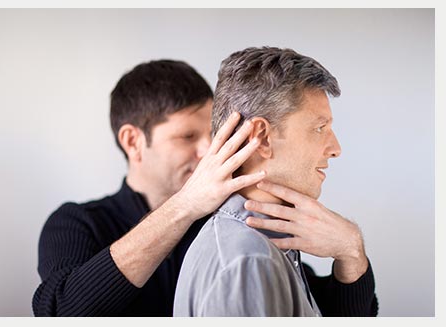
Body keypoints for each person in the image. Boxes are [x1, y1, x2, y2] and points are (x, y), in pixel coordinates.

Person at [32, 59, 266, 316]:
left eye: (211, 134)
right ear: (133, 141)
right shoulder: (76, 223)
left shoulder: (227, 220)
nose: (207, 151)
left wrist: (320, 242)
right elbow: (59, 311)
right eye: (187, 136)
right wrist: (184, 206)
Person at [173, 46, 377, 317]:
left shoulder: (266, 245)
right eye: (319, 128)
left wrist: (351, 249)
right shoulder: (248, 262)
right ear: (263, 137)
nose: (336, 148)